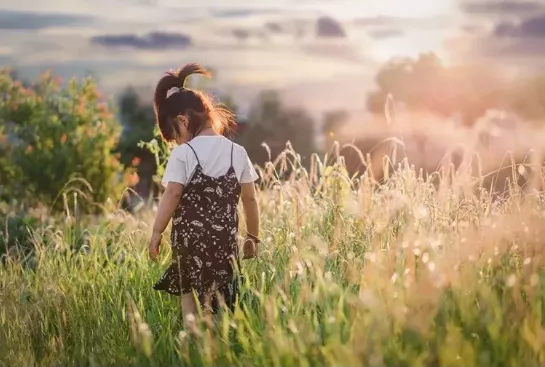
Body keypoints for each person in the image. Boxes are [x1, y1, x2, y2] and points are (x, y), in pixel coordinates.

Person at [148, 63, 260, 321]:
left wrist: (157, 231)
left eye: (175, 135)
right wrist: (253, 237)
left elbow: (172, 194)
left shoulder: (184, 153)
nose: (177, 141)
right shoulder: (237, 152)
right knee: (220, 298)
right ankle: (217, 338)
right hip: (224, 243)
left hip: (189, 243)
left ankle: (193, 335)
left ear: (183, 121)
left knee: (188, 293)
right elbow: (250, 198)